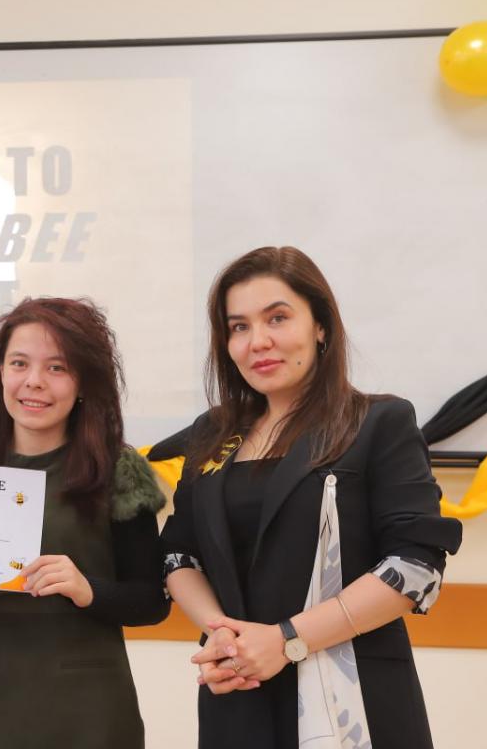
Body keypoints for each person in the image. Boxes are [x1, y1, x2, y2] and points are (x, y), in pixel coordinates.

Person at [162, 246, 462, 749]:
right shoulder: (212, 433)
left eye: (277, 318)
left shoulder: (377, 423)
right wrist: (223, 637)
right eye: (238, 327)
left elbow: (415, 566)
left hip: (352, 694)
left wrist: (285, 640)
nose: (258, 341)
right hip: (238, 687)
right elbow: (179, 554)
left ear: (320, 326)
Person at [0, 297, 170, 749]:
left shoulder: (120, 472)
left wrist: (88, 590)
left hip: (91, 712)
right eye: (19, 363)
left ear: (83, 381)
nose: (33, 381)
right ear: (0, 373)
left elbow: (152, 602)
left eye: (56, 367)